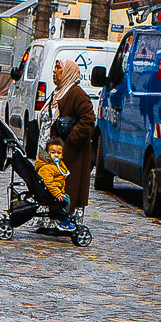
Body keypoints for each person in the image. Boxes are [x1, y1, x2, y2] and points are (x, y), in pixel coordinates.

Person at [50, 57, 96, 212]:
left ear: (68, 72)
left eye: (58, 68)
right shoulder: (59, 92)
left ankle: (63, 216)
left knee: (67, 184)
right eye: (55, 68)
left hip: (69, 152)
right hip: (56, 149)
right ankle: (54, 215)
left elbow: (88, 119)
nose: (54, 72)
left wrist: (71, 140)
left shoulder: (76, 94)